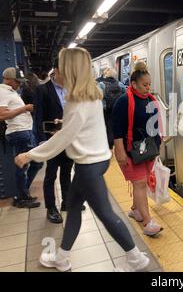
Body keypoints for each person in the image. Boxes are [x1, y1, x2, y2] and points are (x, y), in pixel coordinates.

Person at [15, 47, 149, 272]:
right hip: (95, 159)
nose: (56, 72)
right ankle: (62, 257)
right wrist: (65, 126)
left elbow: (63, 140)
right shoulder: (91, 96)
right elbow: (78, 129)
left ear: (69, 70)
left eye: (60, 67)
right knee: (74, 206)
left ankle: (136, 259)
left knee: (105, 214)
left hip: (88, 165)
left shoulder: (76, 104)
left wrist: (30, 154)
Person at [112, 62, 163, 236]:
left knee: (141, 181)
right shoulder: (124, 101)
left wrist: (160, 140)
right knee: (140, 183)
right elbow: (117, 128)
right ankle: (148, 223)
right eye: (144, 84)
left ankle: (135, 209)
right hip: (129, 150)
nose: (148, 88)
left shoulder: (150, 99)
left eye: (149, 84)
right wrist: (119, 151)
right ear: (133, 84)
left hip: (147, 149)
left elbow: (154, 123)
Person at [35, 58, 82, 224]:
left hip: (69, 140)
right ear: (56, 70)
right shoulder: (43, 90)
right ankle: (51, 208)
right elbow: (38, 117)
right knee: (50, 175)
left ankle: (66, 202)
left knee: (66, 171)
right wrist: (42, 142)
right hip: (52, 141)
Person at [0, 67, 41, 208]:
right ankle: (21, 196)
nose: (19, 84)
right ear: (9, 79)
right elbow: (2, 115)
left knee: (32, 163)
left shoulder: (11, 91)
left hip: (24, 132)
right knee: (26, 164)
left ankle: (22, 193)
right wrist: (25, 108)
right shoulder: (3, 91)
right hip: (19, 132)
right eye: (17, 81)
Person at [98, 68, 126, 149]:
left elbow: (99, 99)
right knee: (117, 128)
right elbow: (125, 96)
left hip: (107, 112)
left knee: (107, 128)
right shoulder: (120, 84)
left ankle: (109, 147)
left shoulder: (101, 84)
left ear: (106, 75)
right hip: (118, 111)